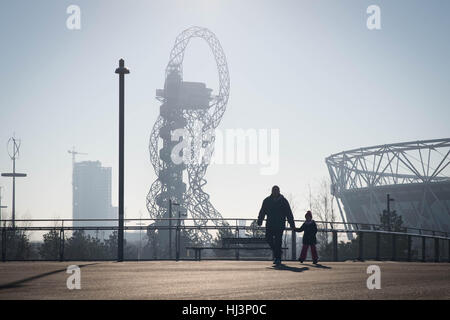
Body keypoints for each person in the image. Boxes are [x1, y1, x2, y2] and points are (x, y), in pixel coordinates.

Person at [257, 185, 295, 266]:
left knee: (278, 241)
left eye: (276, 191)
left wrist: (292, 224)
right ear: (272, 191)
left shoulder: (284, 201)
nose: (275, 192)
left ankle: (278, 258)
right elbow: (262, 211)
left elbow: (289, 213)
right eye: (273, 191)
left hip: (279, 225)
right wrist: (260, 220)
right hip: (270, 224)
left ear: (279, 191)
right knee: (268, 239)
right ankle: (277, 252)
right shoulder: (267, 201)